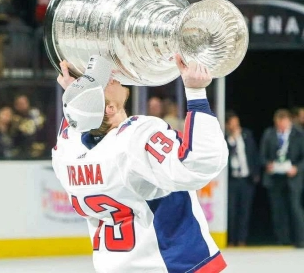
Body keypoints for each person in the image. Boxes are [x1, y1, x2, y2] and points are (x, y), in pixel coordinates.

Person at [52, 55, 228, 272]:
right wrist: (196, 92)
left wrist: (76, 91)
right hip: (170, 264)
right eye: (101, 83)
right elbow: (199, 163)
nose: (110, 77)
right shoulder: (134, 138)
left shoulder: (67, 150)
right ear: (110, 108)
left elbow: (77, 118)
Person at [260, 108, 304, 247]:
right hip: (275, 177)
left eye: (283, 124)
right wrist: (267, 164)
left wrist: (296, 168)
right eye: (278, 124)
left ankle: (300, 239)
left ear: (289, 121)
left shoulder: (299, 134)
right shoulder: (269, 134)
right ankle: (282, 239)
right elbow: (261, 155)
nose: (281, 127)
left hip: (292, 177)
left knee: (294, 207)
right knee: (278, 209)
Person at [225, 110, 260, 247]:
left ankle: (242, 239)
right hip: (232, 179)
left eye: (237, 122)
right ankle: (231, 240)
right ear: (228, 125)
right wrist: (232, 139)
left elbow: (253, 154)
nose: (236, 126)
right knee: (232, 211)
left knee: (244, 211)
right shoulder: (225, 138)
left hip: (246, 179)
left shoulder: (246, 135)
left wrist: (256, 173)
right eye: (233, 123)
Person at [11, 94, 46, 158]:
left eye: (24, 102)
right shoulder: (13, 119)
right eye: (20, 103)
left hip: (39, 151)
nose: (23, 105)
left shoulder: (36, 114)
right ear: (16, 106)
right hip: (20, 151)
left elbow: (42, 128)